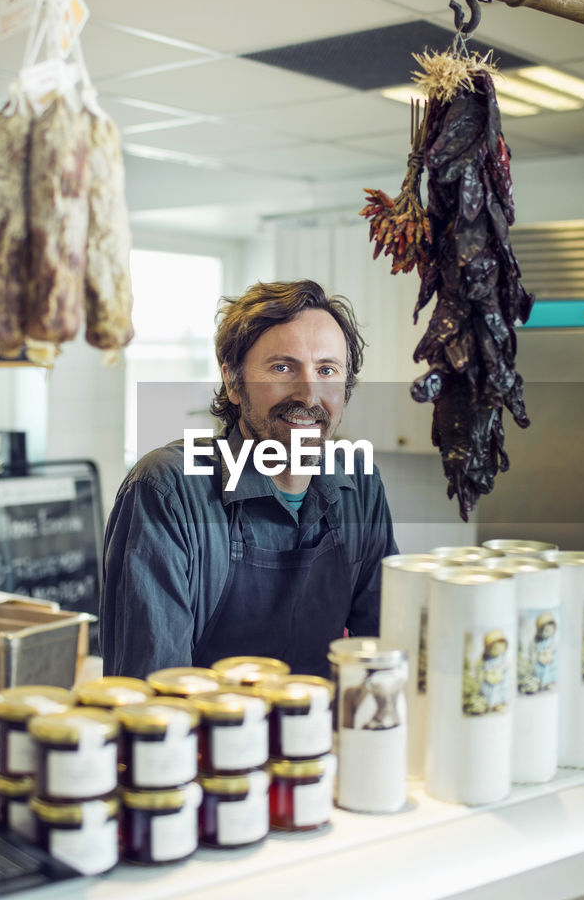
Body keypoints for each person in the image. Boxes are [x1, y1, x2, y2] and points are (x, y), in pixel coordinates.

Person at [100, 279, 397, 679]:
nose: (309, 395)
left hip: (321, 736)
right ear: (233, 382)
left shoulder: (360, 485)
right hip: (205, 738)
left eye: (327, 370)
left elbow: (381, 657)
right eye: (282, 367)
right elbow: (150, 693)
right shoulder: (167, 492)